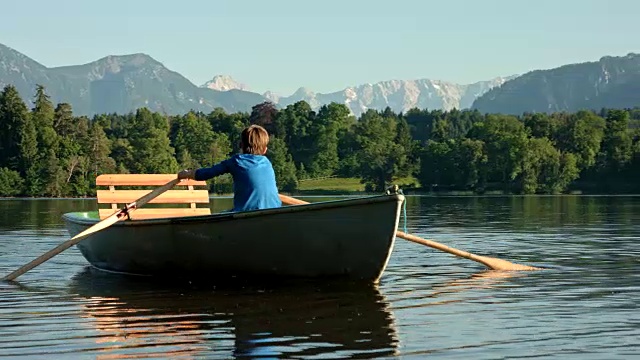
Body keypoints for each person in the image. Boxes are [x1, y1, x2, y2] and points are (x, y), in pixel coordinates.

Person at [177, 124, 282, 212]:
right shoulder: (267, 163)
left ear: (241, 145)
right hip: (274, 211)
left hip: (245, 213)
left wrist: (188, 174)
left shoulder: (236, 161)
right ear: (265, 150)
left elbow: (207, 173)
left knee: (221, 214)